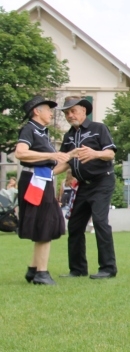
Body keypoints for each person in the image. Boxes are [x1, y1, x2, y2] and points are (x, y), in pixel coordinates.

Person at [57, 96, 118, 279]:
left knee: (99, 221)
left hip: (102, 181)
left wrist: (95, 153)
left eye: (73, 111)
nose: (70, 115)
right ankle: (77, 269)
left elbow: (110, 154)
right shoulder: (68, 136)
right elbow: (64, 161)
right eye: (67, 113)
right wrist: (47, 174)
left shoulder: (98, 128)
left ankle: (108, 268)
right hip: (82, 185)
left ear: (84, 110)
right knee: (75, 225)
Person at [15, 96, 69, 285]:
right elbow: (20, 152)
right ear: (36, 111)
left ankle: (34, 269)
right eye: (48, 109)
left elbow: (50, 161)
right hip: (34, 180)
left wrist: (69, 157)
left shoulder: (41, 132)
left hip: (42, 179)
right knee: (46, 223)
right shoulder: (29, 129)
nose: (51, 113)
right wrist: (51, 154)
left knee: (45, 223)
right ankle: (41, 273)